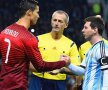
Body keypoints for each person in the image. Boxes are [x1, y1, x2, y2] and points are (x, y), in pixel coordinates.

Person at [0, 0, 70, 90]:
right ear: (29, 13)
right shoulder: (28, 38)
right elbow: (41, 66)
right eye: (37, 12)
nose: (38, 16)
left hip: (3, 84)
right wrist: (63, 63)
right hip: (17, 86)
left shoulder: (5, 31)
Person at [29, 10, 81, 90]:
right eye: (54, 20)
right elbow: (28, 62)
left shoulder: (71, 45)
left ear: (66, 25)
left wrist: (62, 70)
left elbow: (77, 69)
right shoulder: (38, 39)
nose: (56, 23)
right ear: (51, 21)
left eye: (60, 21)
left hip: (59, 83)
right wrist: (42, 68)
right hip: (37, 80)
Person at [67, 16, 108, 90]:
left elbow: (106, 72)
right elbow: (82, 71)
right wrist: (68, 64)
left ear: (95, 30)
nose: (82, 30)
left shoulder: (102, 49)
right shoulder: (90, 50)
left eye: (85, 28)